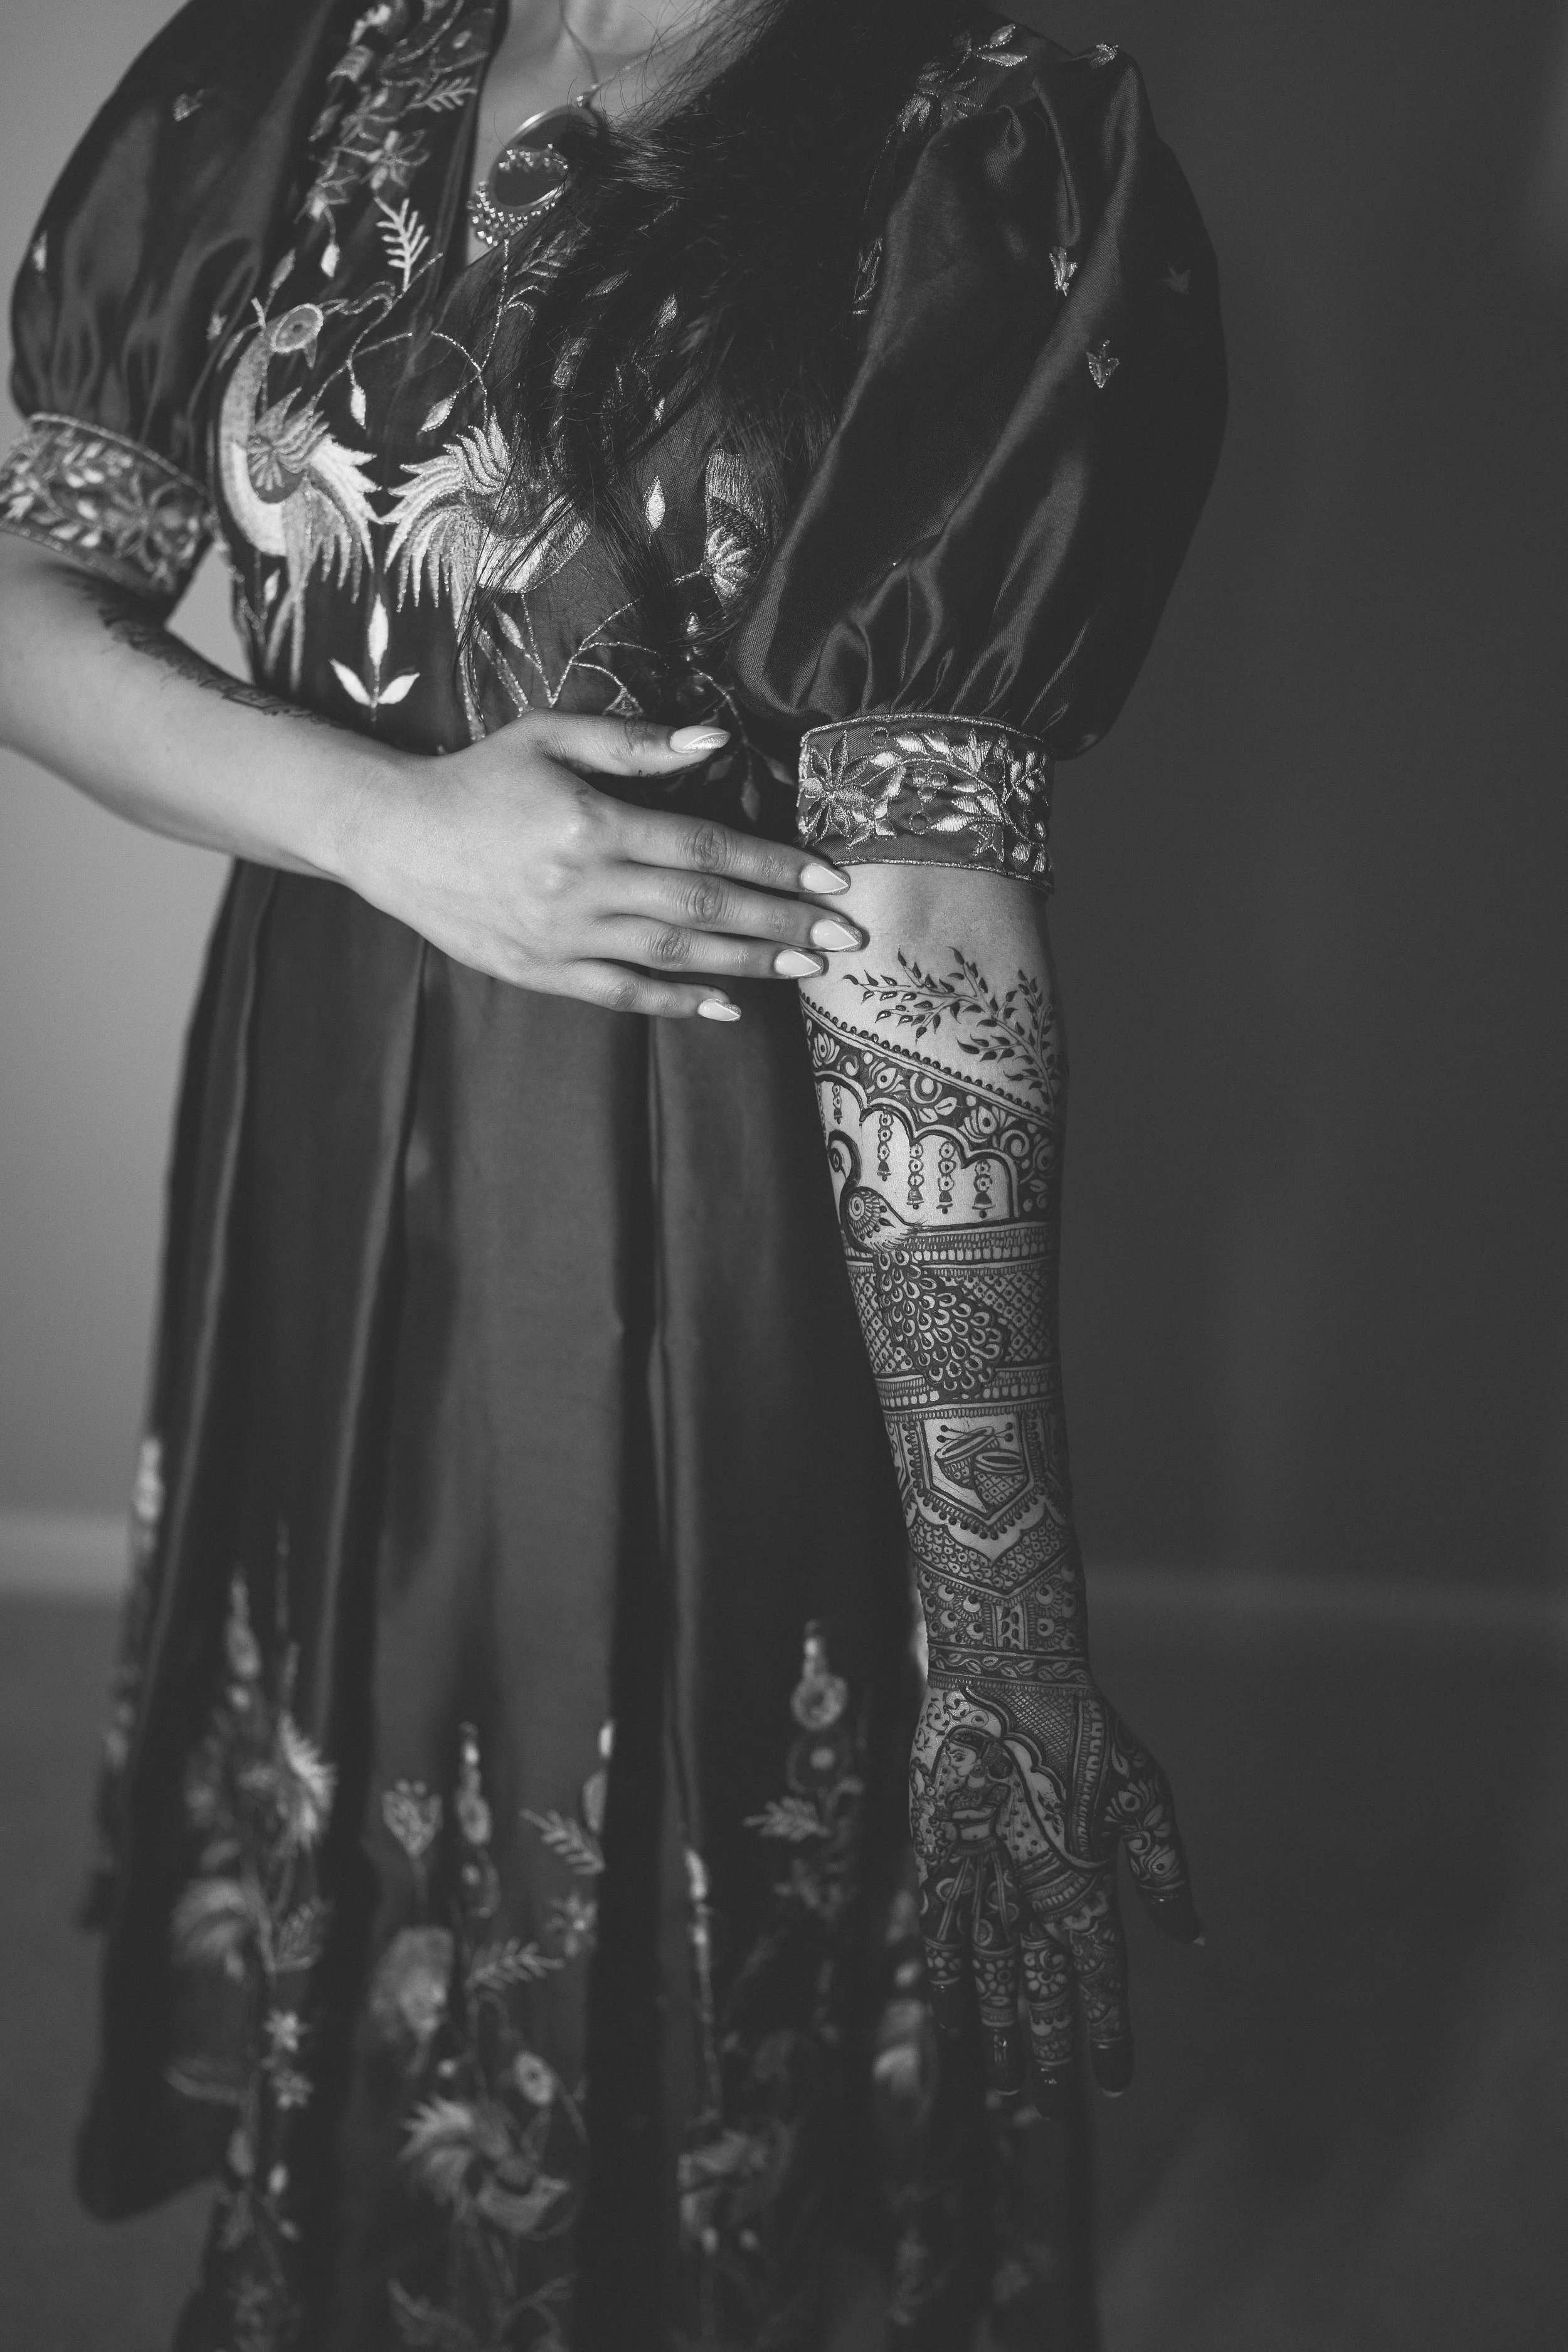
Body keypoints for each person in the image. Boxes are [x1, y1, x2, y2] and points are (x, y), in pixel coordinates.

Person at [0, 0, 1226, 2343]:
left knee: (700, 1755)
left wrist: (1005, 1626)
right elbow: (27, 611)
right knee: (359, 1705)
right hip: (332, 1073)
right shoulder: (280, 65)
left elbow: (928, 890)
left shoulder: (978, 140)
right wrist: (390, 830)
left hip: (715, 1146)